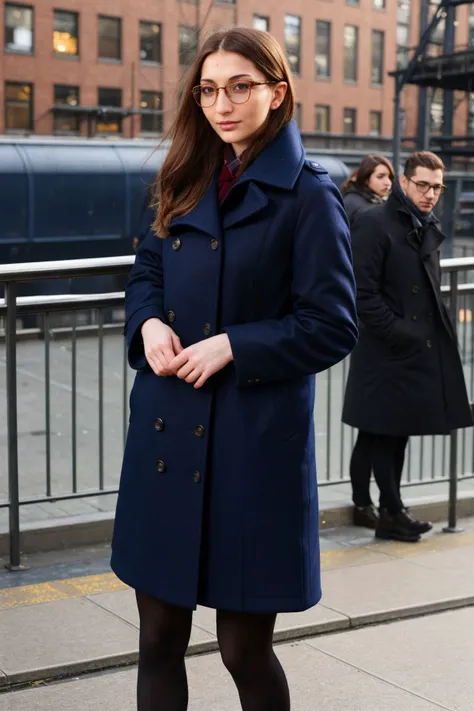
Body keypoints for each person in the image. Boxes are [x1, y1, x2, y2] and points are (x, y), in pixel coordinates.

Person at [111, 27, 358, 711]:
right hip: (167, 437)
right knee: (157, 637)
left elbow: (333, 324)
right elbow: (146, 274)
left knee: (242, 649)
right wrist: (149, 322)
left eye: (241, 86)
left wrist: (234, 345)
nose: (223, 103)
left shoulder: (311, 195)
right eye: (211, 89)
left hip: (251, 453)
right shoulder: (183, 174)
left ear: (278, 93)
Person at [342, 151, 472, 543]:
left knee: (397, 433)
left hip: (409, 349)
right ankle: (391, 512)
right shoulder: (374, 222)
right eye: (423, 185)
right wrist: (400, 331)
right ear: (404, 181)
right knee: (384, 433)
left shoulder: (421, 223)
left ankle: (393, 510)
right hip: (386, 349)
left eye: (437, 187)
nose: (431, 194)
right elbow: (361, 293)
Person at [342, 155, 394, 529]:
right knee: (374, 424)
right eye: (381, 175)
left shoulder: (368, 206)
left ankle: (372, 504)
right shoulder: (363, 211)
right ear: (364, 178)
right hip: (370, 327)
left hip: (368, 324)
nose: (388, 182)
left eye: (390, 176)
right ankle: (365, 503)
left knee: (375, 425)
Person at [342, 154, 394, 228]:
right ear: (366, 179)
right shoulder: (358, 206)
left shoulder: (379, 201)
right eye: (380, 177)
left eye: (390, 177)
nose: (388, 182)